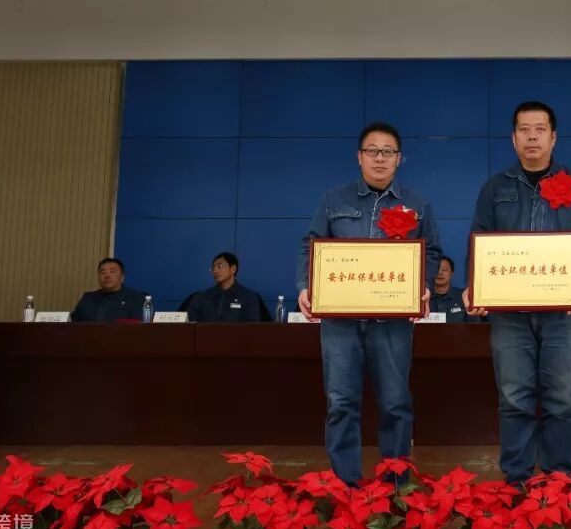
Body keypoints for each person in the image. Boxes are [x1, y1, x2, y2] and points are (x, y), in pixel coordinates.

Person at [465, 100, 571, 485]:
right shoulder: (495, 187)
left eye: (540, 129)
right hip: (509, 315)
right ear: (513, 138)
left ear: (553, 137)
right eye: (524, 130)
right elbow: (478, 240)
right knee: (514, 398)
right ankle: (517, 481)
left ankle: (560, 479)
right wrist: (475, 285)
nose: (532, 137)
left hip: (563, 313)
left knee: (562, 398)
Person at [295, 122, 442, 486]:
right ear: (359, 157)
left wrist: (423, 285)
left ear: (399, 158)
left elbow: (431, 251)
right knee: (341, 403)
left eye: (388, 152)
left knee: (395, 403)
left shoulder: (417, 204)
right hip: (340, 323)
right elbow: (311, 247)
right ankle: (345, 485)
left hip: (392, 322)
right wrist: (305, 286)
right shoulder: (333, 200)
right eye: (372, 151)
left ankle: (396, 487)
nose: (380, 158)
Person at [186, 252, 270, 322]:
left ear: (233, 269)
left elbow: (251, 328)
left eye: (219, 266)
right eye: (213, 268)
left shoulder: (248, 297)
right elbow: (190, 324)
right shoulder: (201, 297)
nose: (215, 270)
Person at [71, 258, 148, 322]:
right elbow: (71, 322)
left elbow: (141, 328)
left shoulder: (135, 298)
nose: (107, 275)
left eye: (112, 272)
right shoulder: (88, 298)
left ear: (122, 277)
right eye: (102, 272)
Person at [429, 256, 475, 322]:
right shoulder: (424, 298)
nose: (439, 273)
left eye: (444, 270)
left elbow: (474, 325)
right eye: (436, 269)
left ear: (451, 273)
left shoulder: (463, 296)